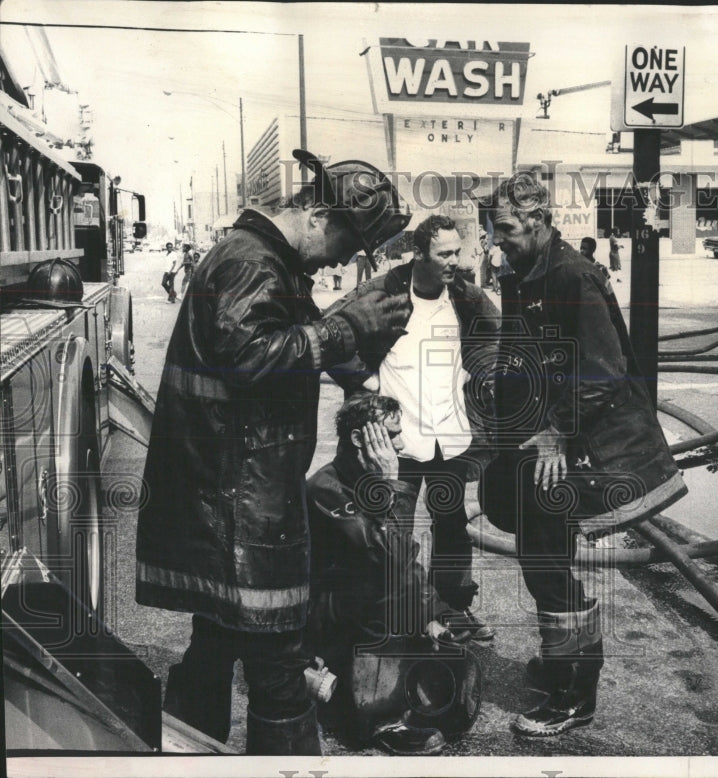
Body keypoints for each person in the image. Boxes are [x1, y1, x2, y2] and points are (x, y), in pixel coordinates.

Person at [135, 148, 413, 755]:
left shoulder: (272, 264)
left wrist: (361, 348)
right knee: (281, 668)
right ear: (316, 213)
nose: (345, 256)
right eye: (347, 240)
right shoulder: (251, 262)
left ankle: (181, 760)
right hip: (239, 511)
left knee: (213, 651)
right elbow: (250, 356)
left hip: (230, 500)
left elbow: (308, 346)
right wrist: (347, 325)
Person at [481, 172, 688, 736]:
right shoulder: (523, 273)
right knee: (540, 559)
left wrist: (553, 430)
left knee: (548, 568)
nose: (497, 241)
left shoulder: (573, 275)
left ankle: (574, 692)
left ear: (540, 221)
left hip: (571, 451)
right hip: (537, 445)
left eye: (504, 230)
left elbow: (603, 372)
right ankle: (558, 660)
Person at [328, 214, 500, 642]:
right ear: (419, 254)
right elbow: (328, 332)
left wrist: (479, 376)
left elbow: (500, 339)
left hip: (450, 438)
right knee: (391, 533)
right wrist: (363, 380)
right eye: (445, 254)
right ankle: (398, 619)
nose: (454, 262)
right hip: (397, 444)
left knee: (452, 528)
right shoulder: (382, 292)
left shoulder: (466, 296)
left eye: (458, 252)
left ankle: (454, 610)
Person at [305, 393, 482, 755]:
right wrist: (386, 485)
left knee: (438, 630)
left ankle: (391, 688)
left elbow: (405, 558)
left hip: (357, 602)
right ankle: (374, 720)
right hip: (323, 614)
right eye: (392, 434)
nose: (401, 444)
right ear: (359, 439)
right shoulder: (325, 488)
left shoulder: (371, 483)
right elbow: (384, 556)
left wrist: (434, 613)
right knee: (384, 592)